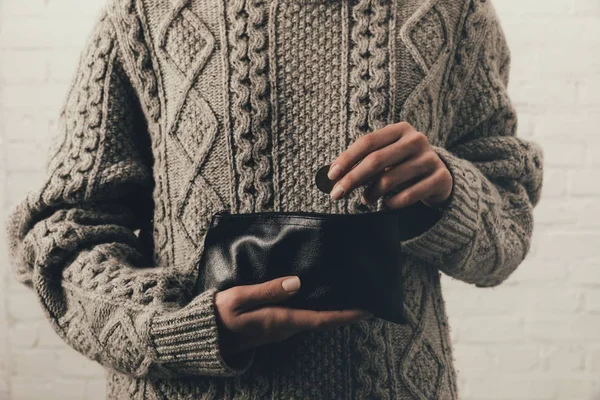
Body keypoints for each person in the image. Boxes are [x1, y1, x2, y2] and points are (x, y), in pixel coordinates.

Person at [5, 0, 544, 398]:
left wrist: (449, 192)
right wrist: (179, 327)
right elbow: (63, 237)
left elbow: (509, 227)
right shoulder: (146, 11)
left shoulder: (451, 13)